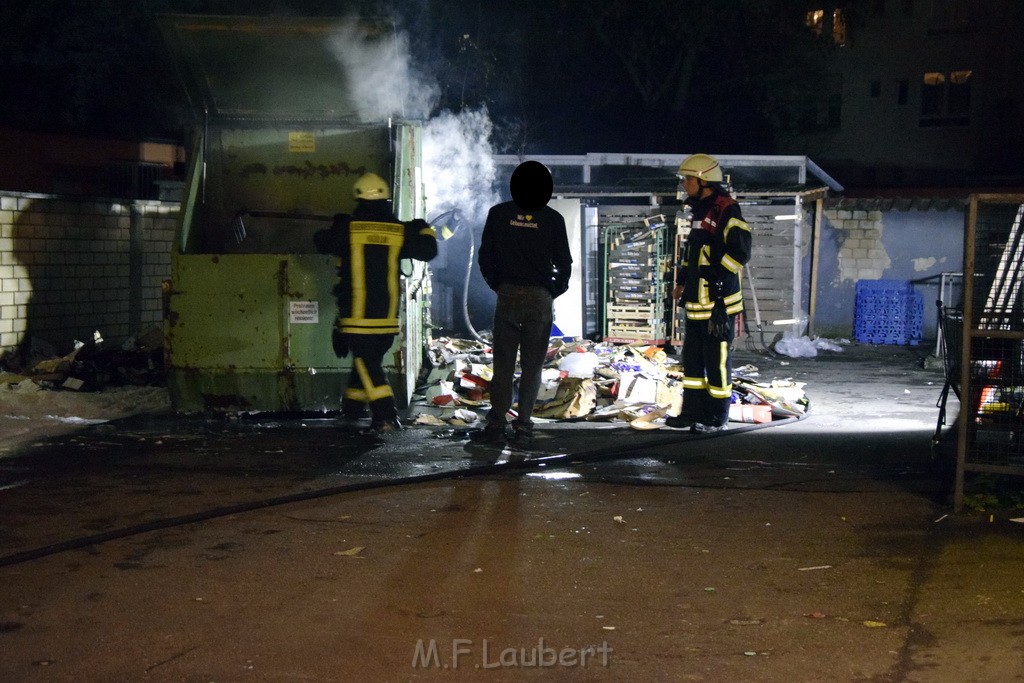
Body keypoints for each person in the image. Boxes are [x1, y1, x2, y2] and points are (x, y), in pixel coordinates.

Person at [314, 171, 437, 434]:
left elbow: (320, 241)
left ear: (358, 198)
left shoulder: (349, 229)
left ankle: (386, 416)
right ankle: (352, 410)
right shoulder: (399, 230)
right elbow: (429, 250)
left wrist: (337, 225)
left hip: (357, 317)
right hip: (387, 318)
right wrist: (422, 227)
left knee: (366, 363)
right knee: (366, 361)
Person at [472, 161, 573, 446]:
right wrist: (553, 290)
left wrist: (499, 286)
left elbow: (485, 258)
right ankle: (524, 427)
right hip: (539, 300)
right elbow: (564, 264)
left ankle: (495, 426)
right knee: (532, 367)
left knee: (502, 366)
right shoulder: (553, 219)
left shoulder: (498, 214)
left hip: (508, 298)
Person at [666, 153, 752, 433]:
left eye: (688, 179)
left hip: (718, 305)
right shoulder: (699, 211)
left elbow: (740, 252)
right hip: (695, 302)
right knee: (691, 362)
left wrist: (716, 275)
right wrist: (681, 279)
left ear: (704, 181)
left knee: (717, 363)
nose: (684, 184)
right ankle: (692, 412)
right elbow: (692, 253)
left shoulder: (727, 209)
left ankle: (716, 416)